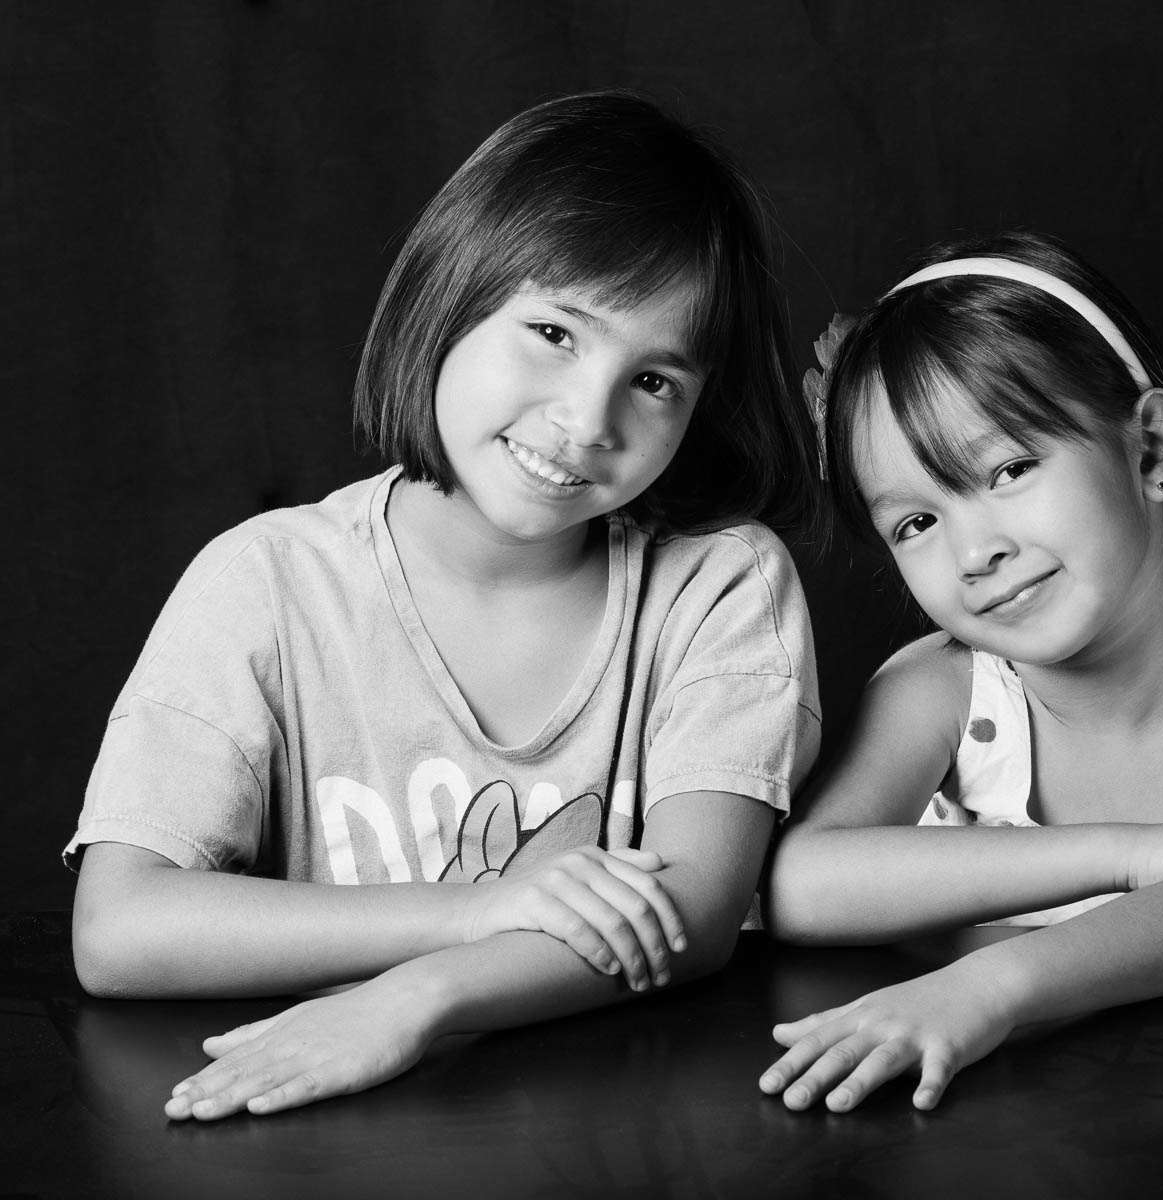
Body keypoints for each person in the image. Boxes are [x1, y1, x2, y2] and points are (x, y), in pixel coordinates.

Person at [65, 91, 822, 1120]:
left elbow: (692, 913)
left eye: (653, 381)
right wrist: (482, 911)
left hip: (613, 1136)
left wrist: (421, 997)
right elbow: (118, 930)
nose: (585, 420)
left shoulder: (720, 586)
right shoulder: (268, 582)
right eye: (554, 331)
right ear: (450, 294)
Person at [759, 229, 1163, 1113]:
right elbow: (794, 884)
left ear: (1152, 449)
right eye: (915, 524)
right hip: (970, 1129)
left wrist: (985, 992)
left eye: (1009, 467)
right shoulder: (941, 686)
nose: (975, 550)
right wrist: (1135, 853)